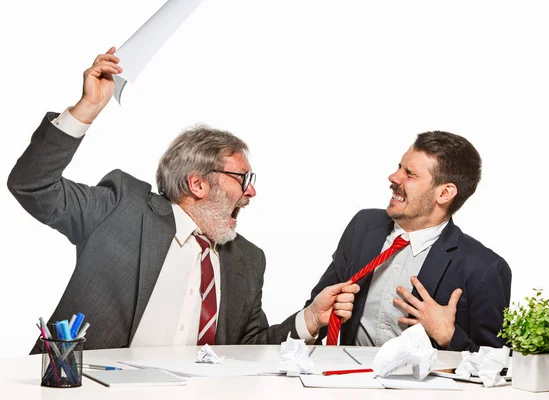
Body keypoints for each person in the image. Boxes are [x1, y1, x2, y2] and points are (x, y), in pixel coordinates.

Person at [7, 48, 358, 352]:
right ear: (198, 184)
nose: (251, 192)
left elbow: (250, 351)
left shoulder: (248, 261)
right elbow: (32, 186)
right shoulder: (121, 208)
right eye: (243, 179)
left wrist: (311, 319)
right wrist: (86, 108)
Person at [306, 130, 511, 352]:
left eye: (410, 174)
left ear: (444, 193)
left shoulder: (484, 268)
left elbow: (497, 365)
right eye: (399, 167)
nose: (394, 177)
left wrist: (449, 336)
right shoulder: (363, 227)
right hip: (346, 377)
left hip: (423, 386)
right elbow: (319, 308)